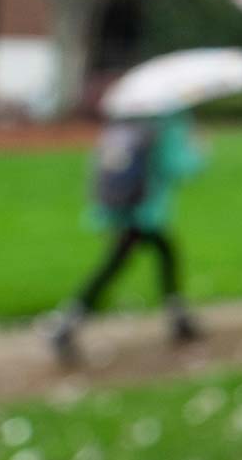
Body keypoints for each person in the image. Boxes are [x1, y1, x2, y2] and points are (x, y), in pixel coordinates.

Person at [48, 110, 204, 364]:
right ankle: (65, 324)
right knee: (116, 265)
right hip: (144, 209)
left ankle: (179, 318)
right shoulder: (167, 120)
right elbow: (177, 165)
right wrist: (198, 150)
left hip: (121, 207)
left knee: (164, 253)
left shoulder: (128, 118)